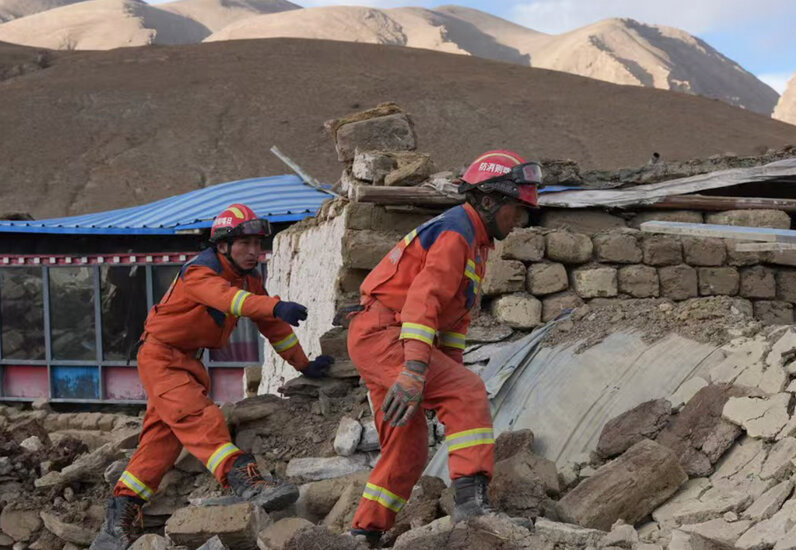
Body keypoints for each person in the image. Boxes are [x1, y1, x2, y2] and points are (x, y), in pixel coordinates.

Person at [90, 204, 334, 550]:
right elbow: (231, 300)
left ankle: (117, 523)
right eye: (245, 243)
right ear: (222, 245)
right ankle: (246, 481)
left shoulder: (248, 278)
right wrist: (274, 304)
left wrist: (303, 364)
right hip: (162, 358)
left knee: (159, 443)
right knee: (199, 416)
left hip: (187, 361)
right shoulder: (200, 273)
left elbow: (274, 327)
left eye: (257, 244)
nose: (254, 252)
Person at [346, 150, 541, 544]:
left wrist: (441, 373)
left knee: (409, 449)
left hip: (385, 335)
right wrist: (417, 371)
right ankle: (471, 508)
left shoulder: (475, 241)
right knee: (467, 390)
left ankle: (363, 533)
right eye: (516, 208)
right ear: (488, 200)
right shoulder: (457, 233)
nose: (519, 219)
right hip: (387, 334)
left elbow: (453, 320)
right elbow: (423, 302)